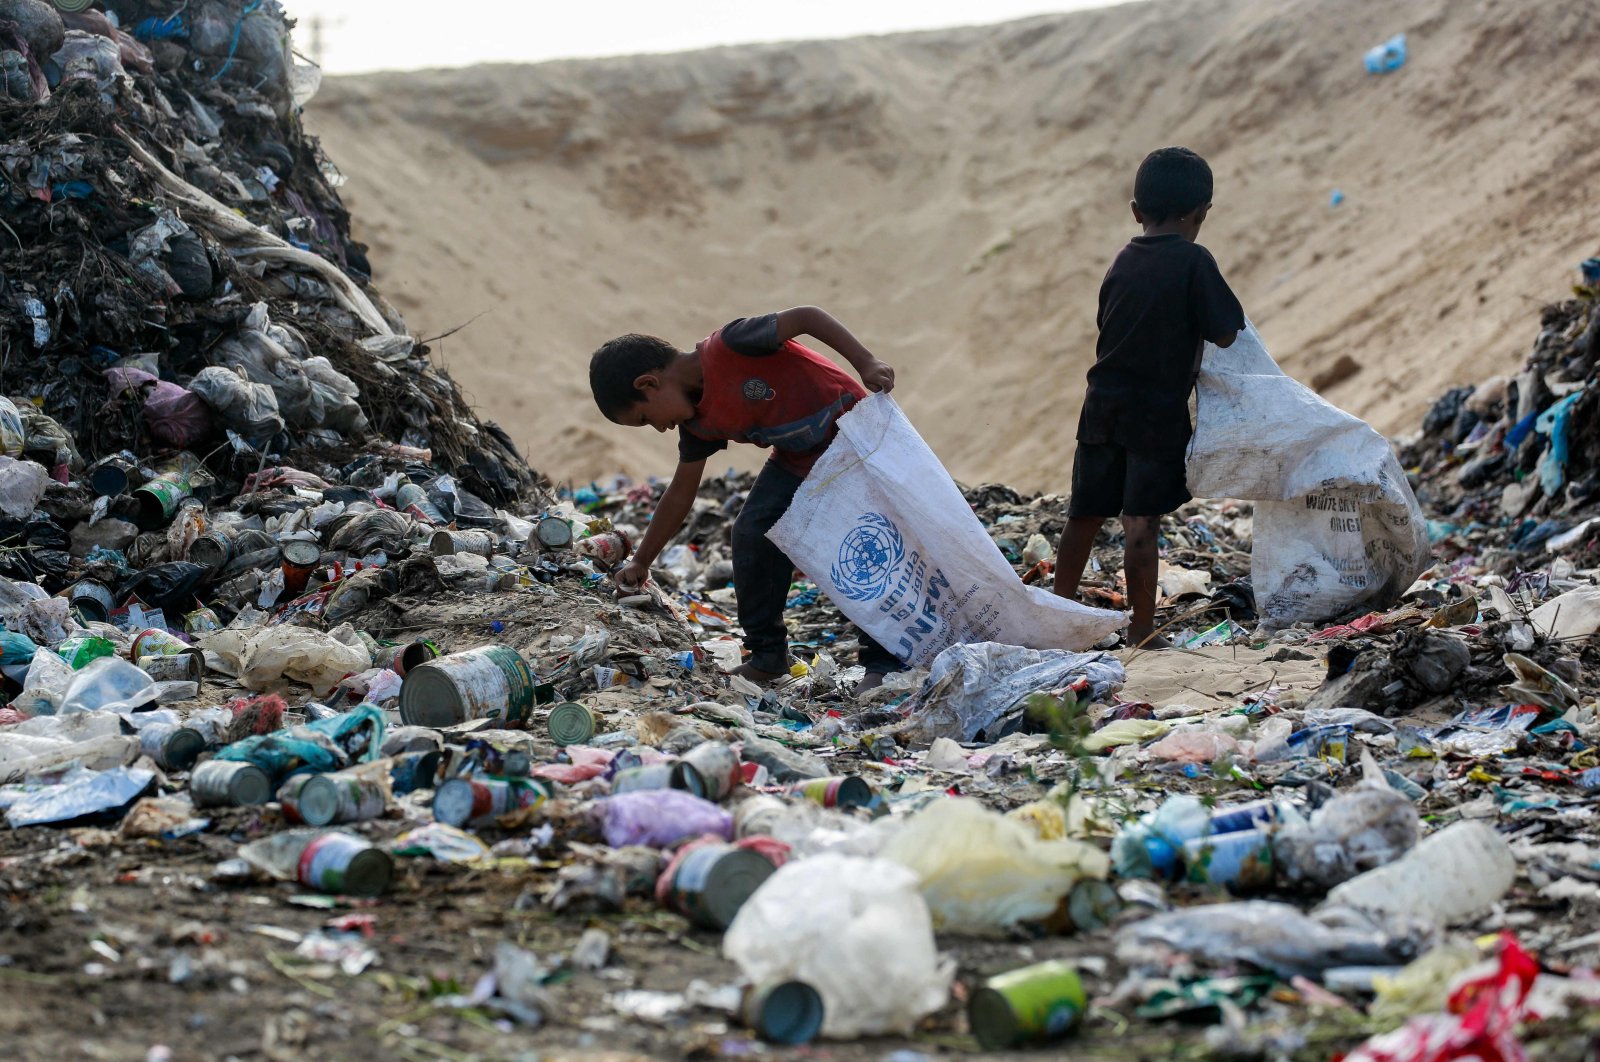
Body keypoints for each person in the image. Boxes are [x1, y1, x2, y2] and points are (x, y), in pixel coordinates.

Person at [588, 306, 904, 689]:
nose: (658, 428)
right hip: (798, 459)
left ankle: (882, 661)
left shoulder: (731, 345)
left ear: (648, 384)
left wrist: (865, 361)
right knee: (752, 533)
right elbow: (680, 493)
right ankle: (769, 656)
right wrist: (641, 560)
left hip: (856, 442)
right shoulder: (697, 425)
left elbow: (806, 316)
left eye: (644, 419)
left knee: (862, 543)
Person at [1053, 146, 1245, 649]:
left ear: (1136, 212)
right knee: (1140, 521)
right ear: (1202, 213)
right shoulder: (1194, 261)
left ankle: (1057, 616)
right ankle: (1141, 628)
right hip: (1155, 415)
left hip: (1101, 404)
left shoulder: (1123, 259)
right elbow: (1227, 332)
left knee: (1084, 515)